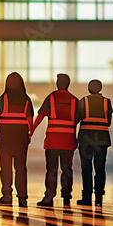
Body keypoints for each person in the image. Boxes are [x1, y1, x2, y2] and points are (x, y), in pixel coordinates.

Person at [0, 72, 34, 208]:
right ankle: (22, 197)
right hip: (21, 136)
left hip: (5, 136)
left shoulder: (4, 98)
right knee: (21, 167)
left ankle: (7, 195)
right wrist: (30, 133)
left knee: (5, 167)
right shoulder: (26, 99)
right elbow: (30, 120)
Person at [31, 73, 78, 208]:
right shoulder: (75, 100)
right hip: (68, 141)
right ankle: (67, 197)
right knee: (67, 169)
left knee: (51, 169)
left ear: (58, 83)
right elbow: (79, 120)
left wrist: (31, 130)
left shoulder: (51, 98)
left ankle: (49, 197)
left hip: (52, 141)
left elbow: (40, 116)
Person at [75, 79, 113, 206]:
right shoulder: (107, 102)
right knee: (100, 168)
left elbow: (76, 119)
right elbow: (108, 122)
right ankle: (99, 198)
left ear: (89, 88)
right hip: (102, 139)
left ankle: (86, 197)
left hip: (86, 139)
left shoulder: (83, 101)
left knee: (86, 169)